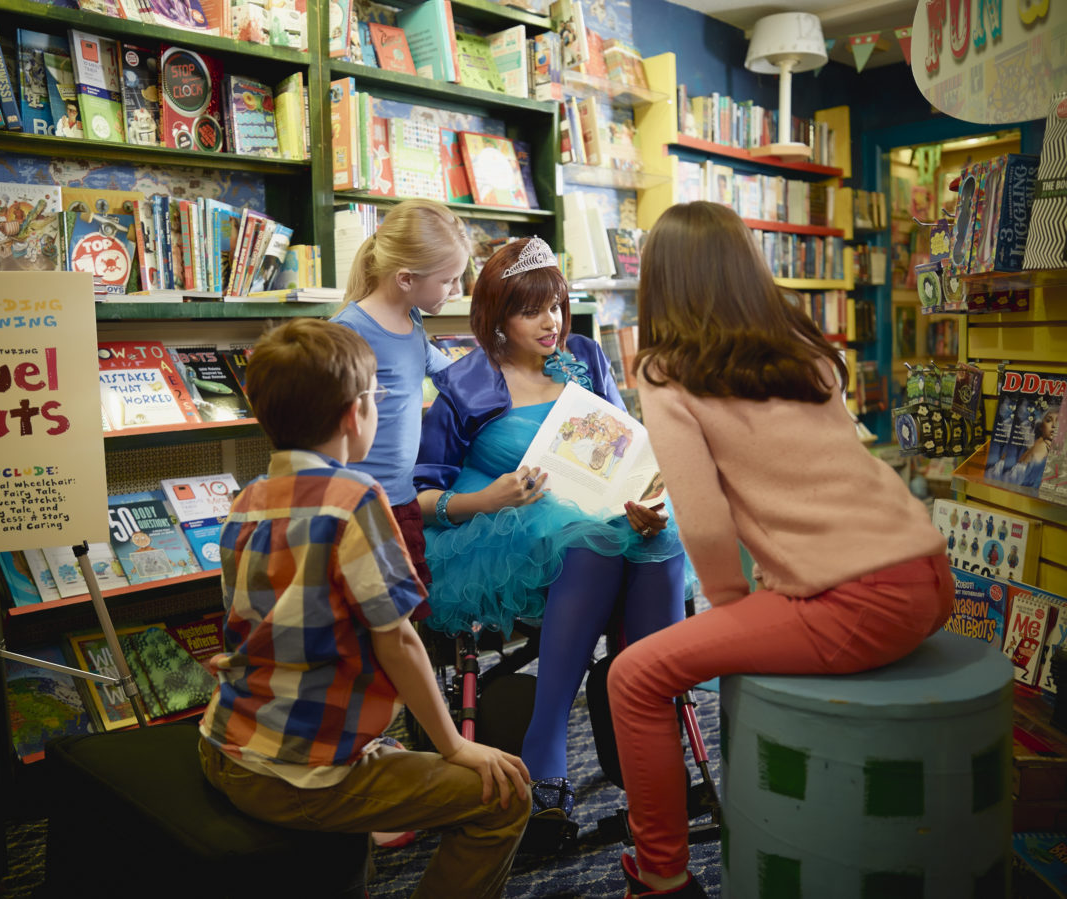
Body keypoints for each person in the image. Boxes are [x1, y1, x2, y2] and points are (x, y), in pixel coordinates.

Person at [608, 202, 953, 898]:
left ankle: (661, 878)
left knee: (633, 677)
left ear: (661, 282)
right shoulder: (805, 350)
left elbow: (705, 523)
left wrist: (731, 610)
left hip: (858, 603)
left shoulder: (665, 371)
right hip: (931, 575)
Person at [197, 319, 531, 899]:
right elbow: (397, 640)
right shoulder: (354, 499)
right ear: (357, 414)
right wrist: (455, 745)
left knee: (395, 753)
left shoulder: (247, 499)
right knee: (505, 796)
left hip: (223, 743)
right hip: (298, 774)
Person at [413, 236, 691, 829]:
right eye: (530, 311)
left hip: (600, 516)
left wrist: (650, 501)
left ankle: (653, 746)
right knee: (591, 544)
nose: (551, 323)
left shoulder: (583, 356)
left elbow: (630, 452)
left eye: (556, 306)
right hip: (502, 535)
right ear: (496, 316)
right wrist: (487, 498)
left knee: (660, 542)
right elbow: (422, 497)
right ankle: (546, 749)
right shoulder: (465, 384)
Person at [331, 198, 471, 593]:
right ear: (406, 279)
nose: (457, 291)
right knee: (369, 608)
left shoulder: (412, 318)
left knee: (407, 605)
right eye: (448, 281)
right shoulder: (349, 331)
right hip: (357, 508)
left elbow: (448, 372)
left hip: (402, 499)